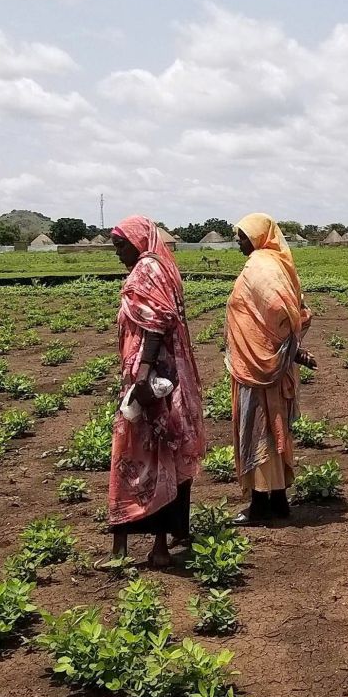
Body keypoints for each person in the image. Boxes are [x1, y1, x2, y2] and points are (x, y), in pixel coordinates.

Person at [104, 216, 206, 568]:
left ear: (137, 240)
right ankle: (161, 543)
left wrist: (142, 375)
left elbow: (154, 325)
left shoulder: (146, 269)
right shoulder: (162, 266)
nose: (117, 253)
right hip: (166, 376)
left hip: (151, 380)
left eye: (120, 245)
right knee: (164, 453)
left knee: (140, 452)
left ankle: (128, 548)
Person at [226, 213, 315, 526]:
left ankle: (261, 503)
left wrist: (270, 343)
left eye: (243, 236)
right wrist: (288, 348)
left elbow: (279, 307)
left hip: (258, 364)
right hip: (270, 361)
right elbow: (297, 308)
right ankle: (278, 499)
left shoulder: (259, 265)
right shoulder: (279, 263)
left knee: (258, 427)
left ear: (258, 237)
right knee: (274, 427)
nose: (238, 241)